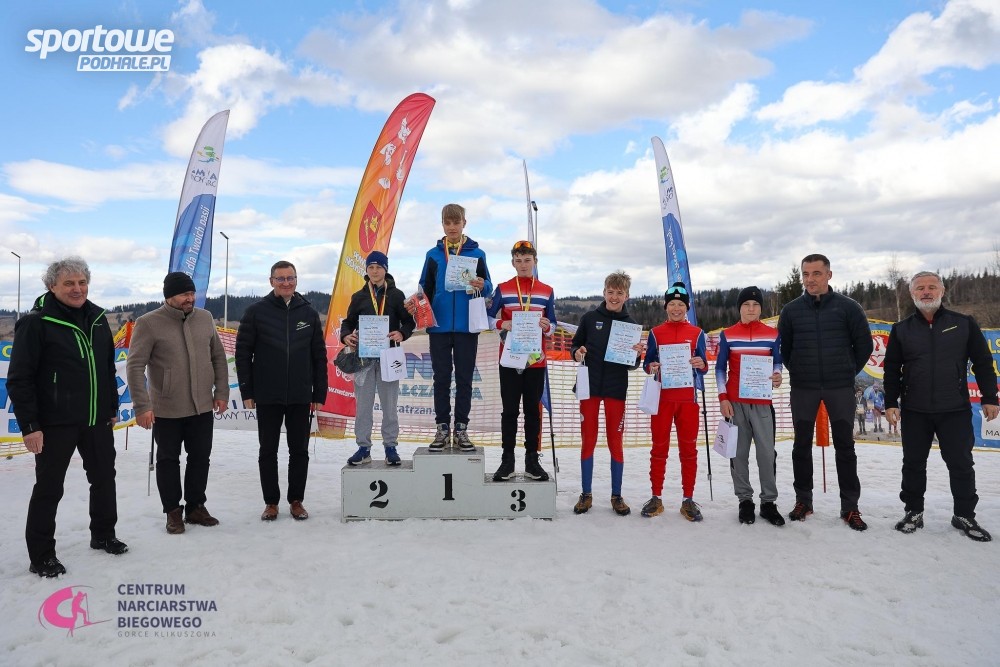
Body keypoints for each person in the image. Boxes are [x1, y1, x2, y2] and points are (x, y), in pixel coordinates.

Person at [8, 256, 128, 577]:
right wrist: (30, 426)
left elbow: (106, 368)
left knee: (103, 478)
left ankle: (103, 534)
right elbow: (20, 378)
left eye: (82, 282)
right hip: (55, 423)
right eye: (69, 283)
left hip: (96, 419)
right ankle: (41, 555)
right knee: (49, 488)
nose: (78, 289)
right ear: (52, 286)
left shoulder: (98, 319)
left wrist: (111, 408)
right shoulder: (36, 323)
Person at [883, 271, 999, 541]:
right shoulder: (902, 329)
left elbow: (983, 362)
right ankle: (913, 512)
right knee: (913, 464)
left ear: (942, 291)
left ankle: (964, 515)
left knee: (961, 464)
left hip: (954, 409)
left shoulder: (964, 324)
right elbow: (892, 369)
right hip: (915, 410)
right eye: (920, 288)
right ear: (912, 293)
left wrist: (990, 397)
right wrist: (890, 402)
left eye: (932, 287)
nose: (926, 292)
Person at [126, 271, 230, 534]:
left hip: (202, 405)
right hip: (166, 408)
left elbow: (218, 357)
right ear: (169, 296)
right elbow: (135, 366)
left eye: (192, 293)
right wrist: (142, 406)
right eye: (185, 294)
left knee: (200, 458)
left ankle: (195, 507)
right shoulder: (148, 323)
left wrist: (221, 392)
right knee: (168, 460)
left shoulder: (205, 318)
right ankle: (173, 511)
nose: (190, 298)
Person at [778, 253, 873, 531]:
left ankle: (850, 506)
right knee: (801, 446)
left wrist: (846, 370)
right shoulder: (791, 311)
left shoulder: (849, 307)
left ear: (829, 275)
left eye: (816, 274)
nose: (810, 280)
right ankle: (803, 501)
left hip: (839, 387)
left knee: (845, 447)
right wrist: (800, 370)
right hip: (804, 388)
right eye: (806, 274)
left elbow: (864, 346)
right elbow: (786, 350)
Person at [236, 260, 328, 521]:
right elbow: (243, 354)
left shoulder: (308, 313)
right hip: (268, 395)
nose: (286, 283)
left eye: (290, 278)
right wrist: (247, 392)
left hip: (300, 394)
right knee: (268, 451)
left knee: (299, 451)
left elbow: (319, 356)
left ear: (296, 280)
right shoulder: (256, 312)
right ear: (271, 281)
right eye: (281, 278)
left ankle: (296, 501)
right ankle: (271, 502)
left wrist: (319, 393)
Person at [408, 203, 492, 451]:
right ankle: (442, 428)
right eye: (448, 222)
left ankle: (461, 429)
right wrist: (416, 304)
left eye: (456, 222)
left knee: (465, 380)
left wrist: (482, 284)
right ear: (442, 224)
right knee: (441, 379)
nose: (452, 227)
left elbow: (488, 286)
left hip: (467, 327)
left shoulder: (478, 254)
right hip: (439, 326)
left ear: (464, 223)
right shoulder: (433, 255)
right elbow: (424, 287)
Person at [570, 270, 646, 516]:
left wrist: (637, 355)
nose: (614, 297)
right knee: (588, 440)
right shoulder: (590, 318)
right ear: (604, 292)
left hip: (615, 390)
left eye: (619, 293)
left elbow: (632, 365)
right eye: (610, 292)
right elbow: (575, 346)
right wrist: (577, 353)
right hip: (589, 388)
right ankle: (586, 494)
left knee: (615, 441)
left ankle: (616, 495)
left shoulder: (631, 325)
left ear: (627, 296)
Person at [485, 240, 557, 482]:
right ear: (513, 263)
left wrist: (547, 327)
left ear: (535, 261)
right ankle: (507, 461)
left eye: (527, 260)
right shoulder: (503, 288)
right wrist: (501, 323)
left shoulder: (546, 290)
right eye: (519, 260)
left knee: (532, 412)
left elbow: (552, 323)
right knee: (509, 411)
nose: (523, 264)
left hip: (536, 361)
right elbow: (486, 317)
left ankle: (531, 461)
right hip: (509, 359)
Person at [714, 286, 785, 526]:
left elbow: (777, 362)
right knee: (738, 453)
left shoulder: (772, 334)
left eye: (755, 305)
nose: (751, 309)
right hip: (735, 404)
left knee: (766, 453)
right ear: (740, 308)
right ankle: (745, 500)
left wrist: (777, 375)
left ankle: (768, 502)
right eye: (746, 305)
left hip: (762, 403)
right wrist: (723, 398)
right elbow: (720, 369)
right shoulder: (728, 334)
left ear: (761, 308)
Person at [340, 251, 415, 466]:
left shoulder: (397, 295)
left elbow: (409, 322)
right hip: (364, 358)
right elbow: (348, 322)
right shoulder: (359, 296)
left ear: (385, 269)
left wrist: (402, 333)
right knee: (363, 406)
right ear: (366, 270)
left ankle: (390, 446)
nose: (374, 271)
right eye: (371, 267)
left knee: (389, 405)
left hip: (389, 357)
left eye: (378, 267)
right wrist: (346, 336)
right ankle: (363, 448)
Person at [641, 282, 708, 521]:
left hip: (687, 400)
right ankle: (656, 497)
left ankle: (688, 499)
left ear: (687, 307)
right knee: (659, 448)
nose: (676, 308)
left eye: (680, 304)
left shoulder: (697, 333)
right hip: (663, 399)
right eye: (672, 304)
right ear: (666, 307)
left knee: (688, 450)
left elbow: (704, 365)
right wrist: (652, 366)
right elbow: (647, 363)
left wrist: (701, 363)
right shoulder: (656, 333)